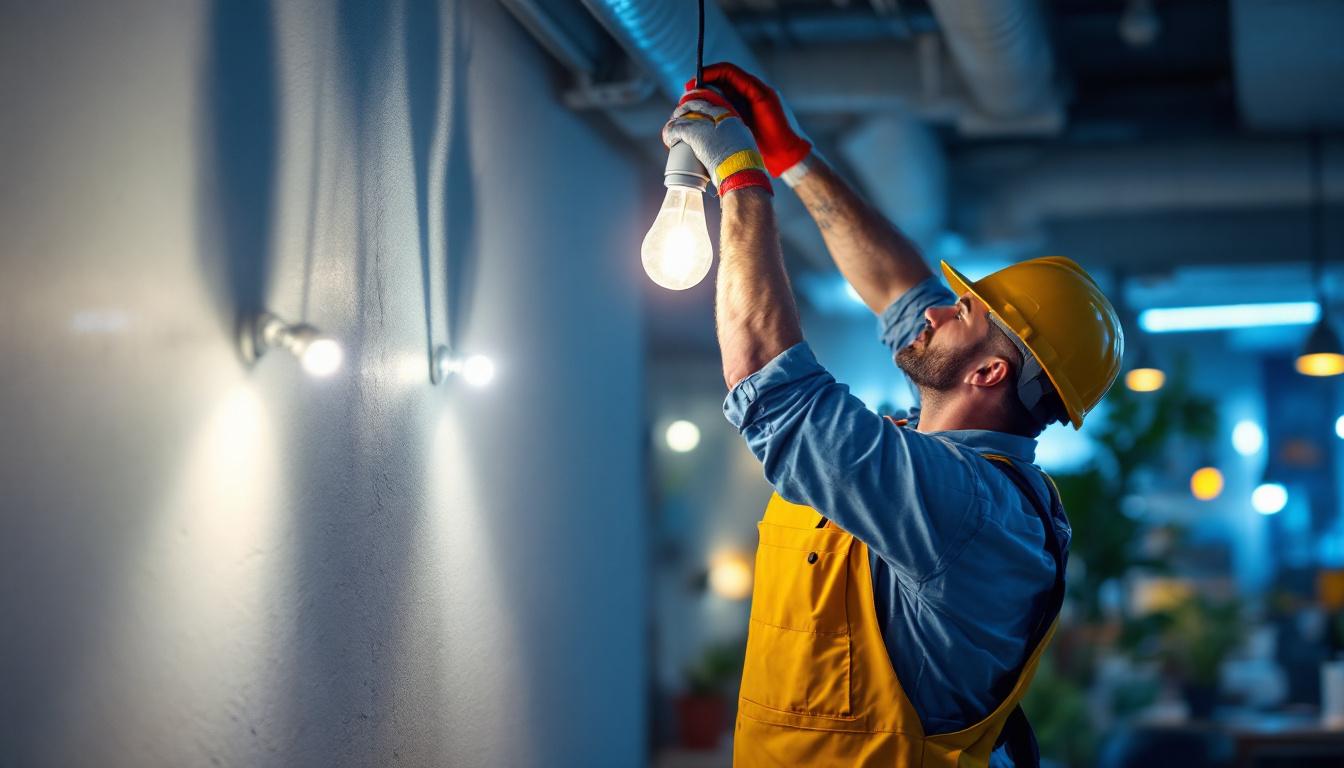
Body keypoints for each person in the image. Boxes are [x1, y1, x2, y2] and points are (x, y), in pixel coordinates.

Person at [660, 63, 1124, 767]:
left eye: (962, 311)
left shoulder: (969, 509)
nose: (934, 310)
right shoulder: (954, 460)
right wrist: (795, 159)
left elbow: (770, 384)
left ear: (989, 373)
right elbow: (899, 288)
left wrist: (743, 184)